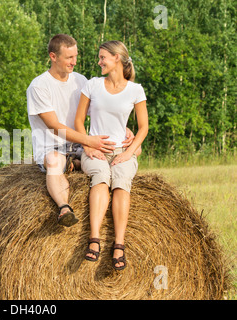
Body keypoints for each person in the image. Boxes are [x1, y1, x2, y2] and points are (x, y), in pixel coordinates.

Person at [26, 34, 135, 228]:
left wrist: (124, 129)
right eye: (69, 58)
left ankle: (74, 163)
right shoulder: (39, 86)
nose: (74, 62)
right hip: (52, 146)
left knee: (127, 152)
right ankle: (64, 208)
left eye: (75, 56)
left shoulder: (81, 81)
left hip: (81, 145)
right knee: (54, 161)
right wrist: (89, 141)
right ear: (53, 56)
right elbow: (54, 126)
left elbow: (99, 112)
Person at [74, 40, 148, 270]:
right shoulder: (93, 85)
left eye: (103, 57)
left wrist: (129, 152)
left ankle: (119, 244)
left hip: (121, 152)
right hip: (94, 149)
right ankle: (94, 240)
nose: (99, 62)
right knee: (100, 175)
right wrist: (87, 147)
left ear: (117, 58)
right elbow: (78, 120)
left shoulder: (135, 90)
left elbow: (143, 127)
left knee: (121, 182)